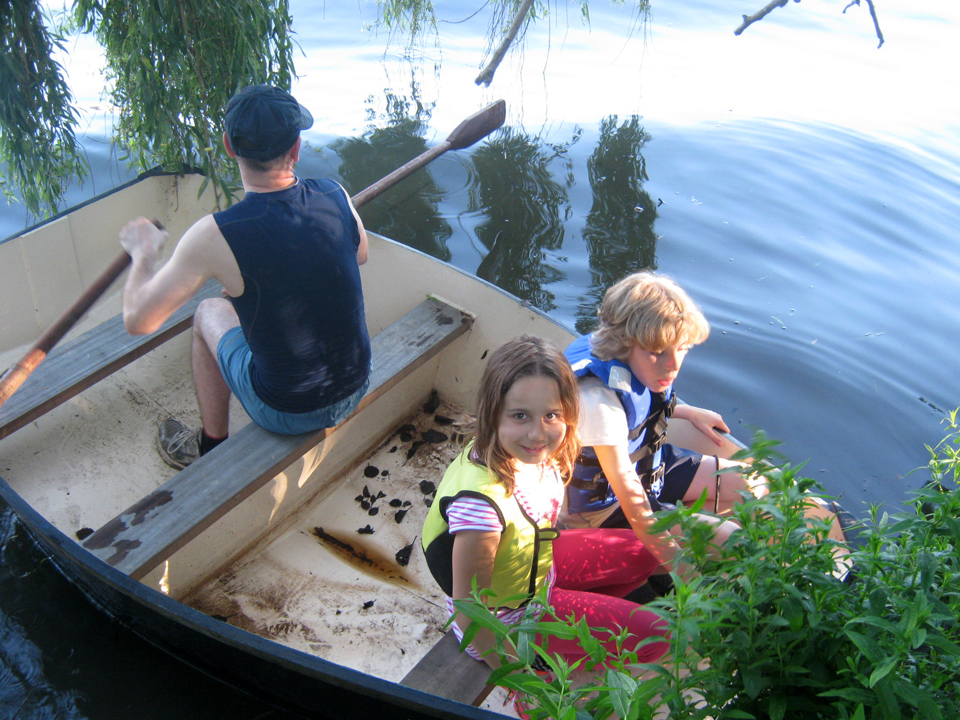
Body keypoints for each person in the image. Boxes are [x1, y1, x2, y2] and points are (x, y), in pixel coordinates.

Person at [119, 84, 371, 469]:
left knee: (207, 311)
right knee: (236, 301)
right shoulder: (334, 193)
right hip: (357, 385)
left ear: (228, 146)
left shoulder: (215, 234)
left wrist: (144, 253)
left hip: (288, 411)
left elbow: (139, 321)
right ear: (296, 148)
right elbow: (361, 254)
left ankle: (210, 446)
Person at [563, 271, 844, 574]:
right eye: (658, 353)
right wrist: (685, 575)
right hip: (606, 510)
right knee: (730, 537)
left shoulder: (637, 366)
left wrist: (686, 412)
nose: (673, 365)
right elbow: (632, 501)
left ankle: (821, 564)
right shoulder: (598, 400)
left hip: (649, 470)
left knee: (757, 482)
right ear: (623, 344)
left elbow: (641, 409)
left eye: (682, 348)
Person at [421, 335, 669, 677]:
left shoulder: (530, 453)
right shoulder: (481, 512)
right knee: (658, 637)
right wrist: (521, 681)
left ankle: (580, 637)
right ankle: (542, 660)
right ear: (493, 414)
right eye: (520, 415)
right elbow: (470, 614)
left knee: (649, 552)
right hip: (512, 623)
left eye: (551, 415)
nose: (537, 434)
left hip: (537, 569)